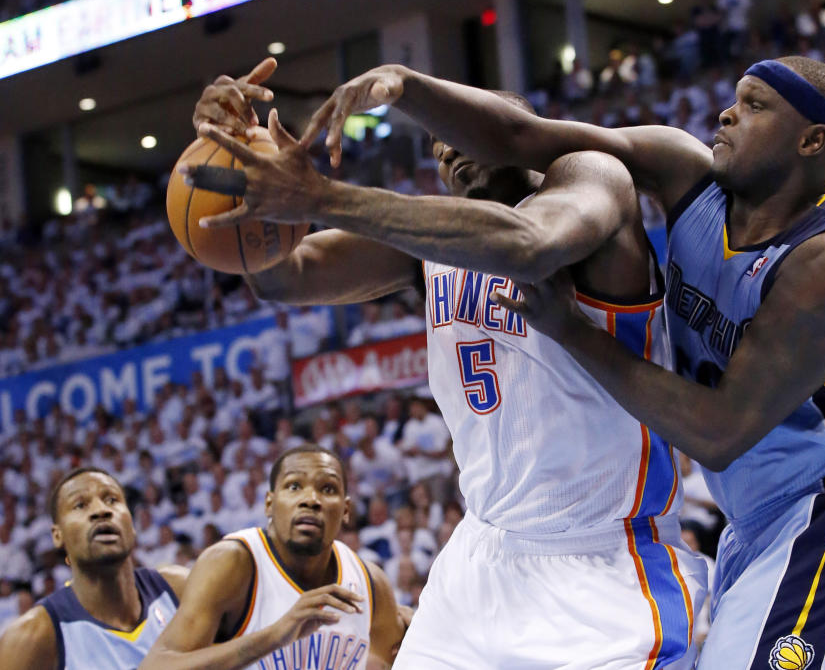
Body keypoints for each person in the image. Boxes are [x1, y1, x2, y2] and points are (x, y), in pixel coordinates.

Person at [298, 56, 825, 667]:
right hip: (752, 526)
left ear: (811, 140)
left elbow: (717, 432)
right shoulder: (685, 168)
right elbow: (521, 136)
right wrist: (405, 86)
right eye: (734, 98)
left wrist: (570, 331)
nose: (727, 114)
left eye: (754, 106)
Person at [186, 58, 706, 668]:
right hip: (482, 556)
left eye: (460, 134)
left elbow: (526, 243)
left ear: (511, 129)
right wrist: (236, 159)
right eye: (436, 147)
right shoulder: (432, 242)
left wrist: (323, 197)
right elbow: (285, 278)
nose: (448, 152)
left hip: (605, 559)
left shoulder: (593, 183)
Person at [140, 445, 407, 670]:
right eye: (294, 486)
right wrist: (276, 635)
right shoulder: (233, 562)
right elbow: (157, 666)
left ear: (346, 509)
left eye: (327, 489)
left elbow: (390, 661)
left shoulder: (370, 583)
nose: (310, 499)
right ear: (269, 503)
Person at [0, 468, 188, 669]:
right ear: (57, 535)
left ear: (131, 524)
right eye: (80, 505)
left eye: (112, 500)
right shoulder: (32, 637)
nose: (101, 511)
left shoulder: (179, 588)